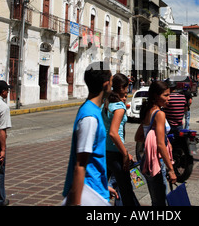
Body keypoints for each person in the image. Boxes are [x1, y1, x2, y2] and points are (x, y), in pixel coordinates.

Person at [62, 62, 117, 206]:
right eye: (111, 81)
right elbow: (80, 164)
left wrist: (104, 187)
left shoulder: (91, 110)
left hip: (96, 189)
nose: (112, 85)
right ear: (105, 84)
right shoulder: (90, 117)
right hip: (89, 195)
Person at [138, 80, 176, 206]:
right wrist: (171, 169)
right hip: (156, 163)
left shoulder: (147, 111)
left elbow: (138, 136)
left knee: (156, 199)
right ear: (155, 95)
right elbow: (160, 144)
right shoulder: (159, 114)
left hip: (147, 161)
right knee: (160, 202)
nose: (168, 98)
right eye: (165, 95)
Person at [102, 73, 137, 206]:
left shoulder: (106, 103)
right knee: (126, 190)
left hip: (105, 150)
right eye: (127, 86)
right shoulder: (119, 107)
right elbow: (113, 133)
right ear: (122, 87)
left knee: (102, 186)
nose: (128, 89)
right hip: (116, 152)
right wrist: (125, 154)